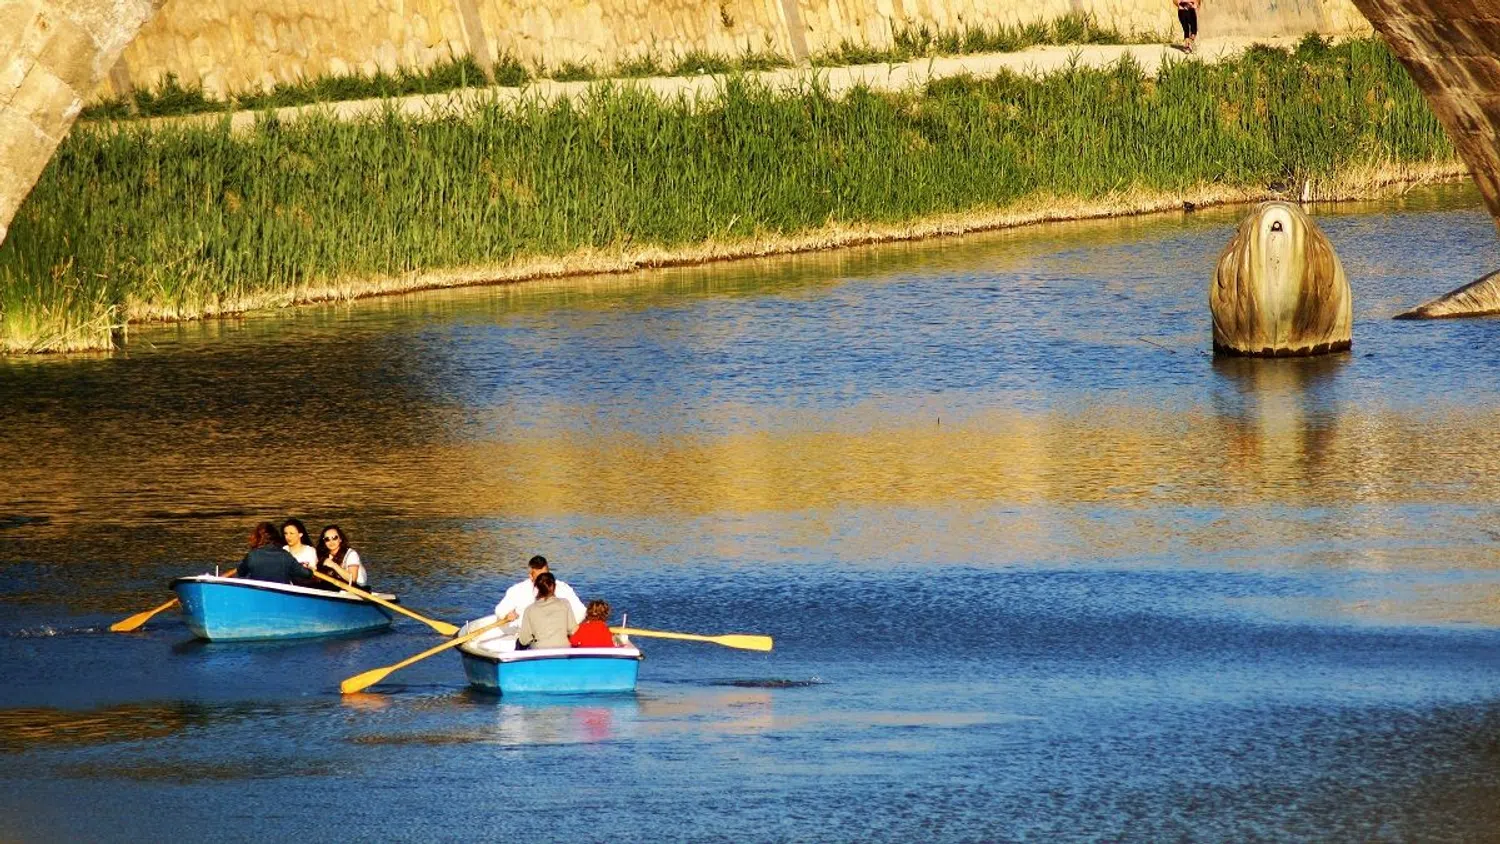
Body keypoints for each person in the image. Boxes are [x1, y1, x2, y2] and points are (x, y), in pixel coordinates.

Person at [494, 555, 585, 628]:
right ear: (530, 576)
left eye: (546, 575)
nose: (544, 580)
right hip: (526, 634)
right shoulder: (518, 590)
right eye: (539, 577)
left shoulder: (563, 588)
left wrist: (565, 627)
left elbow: (581, 611)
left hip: (557, 633)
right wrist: (506, 615)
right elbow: (500, 610)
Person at [516, 573, 578, 650]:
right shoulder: (565, 603)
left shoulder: (530, 609)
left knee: (518, 642)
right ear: (553, 586)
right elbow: (573, 630)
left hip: (539, 652)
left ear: (537, 588)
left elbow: (524, 640)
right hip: (563, 650)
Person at [235, 521, 309, 585]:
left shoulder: (252, 556)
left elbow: (241, 572)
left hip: (258, 593)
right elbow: (306, 574)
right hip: (282, 596)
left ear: (257, 538)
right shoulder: (286, 556)